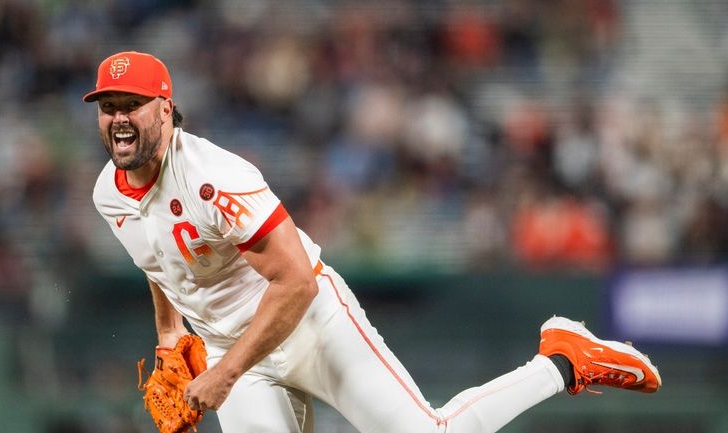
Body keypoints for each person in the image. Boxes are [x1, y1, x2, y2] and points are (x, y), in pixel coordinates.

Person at [85, 51, 661, 433]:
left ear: (165, 106)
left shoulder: (214, 177)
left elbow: (296, 282)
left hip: (308, 323)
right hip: (228, 351)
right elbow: (158, 258)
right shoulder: (108, 194)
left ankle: (562, 359)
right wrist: (169, 337)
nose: (118, 119)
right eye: (108, 108)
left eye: (131, 104)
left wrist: (225, 372)